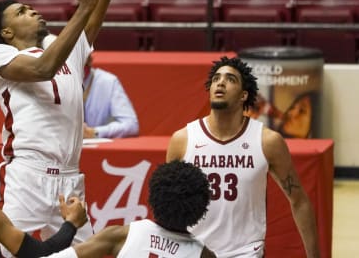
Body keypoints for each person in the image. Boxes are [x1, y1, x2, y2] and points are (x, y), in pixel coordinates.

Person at [0, 0, 114, 250]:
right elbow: (44, 70)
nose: (35, 11)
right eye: (23, 12)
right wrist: (82, 10)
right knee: (6, 252)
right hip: (27, 174)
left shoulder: (64, 44)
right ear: (7, 32)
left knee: (89, 254)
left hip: (70, 177)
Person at [166, 56, 321, 258]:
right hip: (193, 250)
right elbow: (168, 205)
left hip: (245, 252)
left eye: (230, 79)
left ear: (243, 95)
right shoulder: (182, 139)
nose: (220, 82)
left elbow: (299, 200)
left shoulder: (268, 141)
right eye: (216, 79)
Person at [44, 160, 216, 258]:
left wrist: (70, 225)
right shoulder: (203, 254)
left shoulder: (123, 235)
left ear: (154, 196)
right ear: (201, 208)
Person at [82, 54, 138, 139]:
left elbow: (131, 125)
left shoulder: (108, 82)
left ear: (89, 61)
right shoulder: (57, 81)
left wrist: (95, 132)